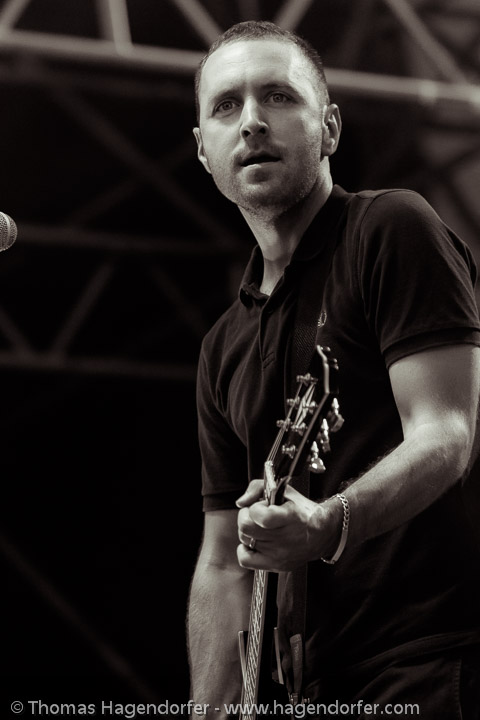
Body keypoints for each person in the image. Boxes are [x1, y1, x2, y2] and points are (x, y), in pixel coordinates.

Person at [187, 20, 480, 719]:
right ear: (203, 150)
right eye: (226, 106)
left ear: (331, 128)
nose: (251, 121)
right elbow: (223, 559)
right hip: (314, 690)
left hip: (430, 658)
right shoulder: (223, 345)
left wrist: (328, 523)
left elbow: (447, 432)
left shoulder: (389, 228)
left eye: (278, 96)